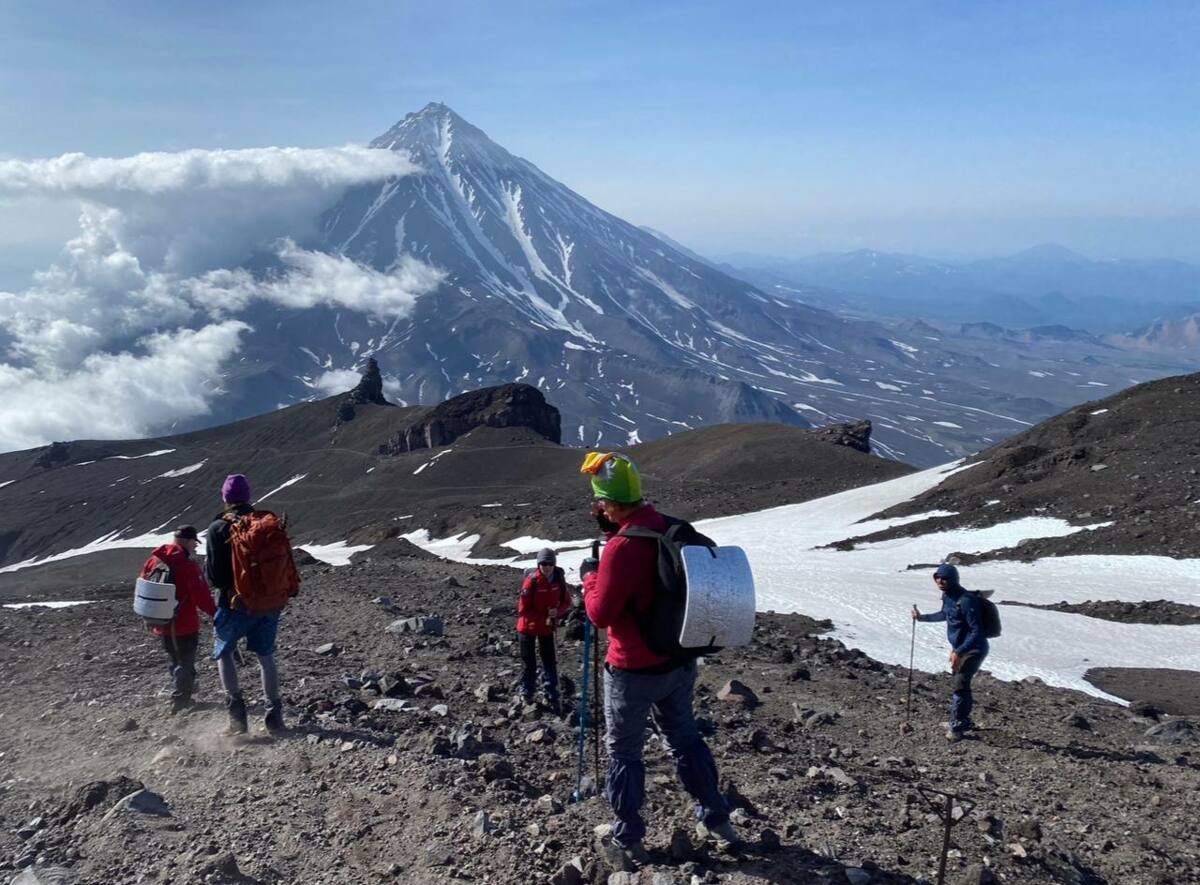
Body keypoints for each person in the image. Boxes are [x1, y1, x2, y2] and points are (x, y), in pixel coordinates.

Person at [578, 452, 736, 868]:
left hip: (632, 668)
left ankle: (629, 838)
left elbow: (600, 613)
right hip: (678, 660)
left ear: (609, 504)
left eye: (601, 503)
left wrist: (589, 578)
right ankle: (716, 817)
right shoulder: (670, 528)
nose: (600, 510)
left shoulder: (623, 547)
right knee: (684, 737)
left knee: (625, 751)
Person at [205, 474, 285, 735]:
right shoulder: (265, 523)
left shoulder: (218, 528)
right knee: (266, 657)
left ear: (225, 498)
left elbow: (216, 577)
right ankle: (274, 715)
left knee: (224, 653)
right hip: (268, 602)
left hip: (234, 603)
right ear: (248, 496)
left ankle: (237, 718)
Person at [141, 526, 216, 714]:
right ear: (189, 541)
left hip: (162, 622)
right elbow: (201, 596)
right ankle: (181, 700)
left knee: (174, 658)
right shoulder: (187, 566)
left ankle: (182, 691)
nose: (195, 547)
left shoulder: (154, 560)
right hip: (184, 623)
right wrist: (216, 614)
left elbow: (143, 586)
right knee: (186, 661)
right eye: (194, 543)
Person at [912, 563, 989, 742]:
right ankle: (963, 721)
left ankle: (956, 728)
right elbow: (944, 615)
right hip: (961, 649)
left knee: (959, 687)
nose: (940, 580)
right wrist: (921, 617)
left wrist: (959, 652)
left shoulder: (966, 600)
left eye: (944, 578)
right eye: (937, 577)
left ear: (953, 579)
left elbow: (977, 631)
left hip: (973, 649)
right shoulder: (948, 597)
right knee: (962, 685)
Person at [516, 548, 572, 713]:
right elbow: (523, 610)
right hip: (527, 628)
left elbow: (566, 602)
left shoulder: (559, 580)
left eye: (549, 563)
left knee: (549, 662)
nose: (546, 567)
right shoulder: (531, 581)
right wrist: (545, 617)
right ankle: (527, 692)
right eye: (543, 563)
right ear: (538, 564)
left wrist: (558, 613)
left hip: (547, 628)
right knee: (529, 662)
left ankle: (552, 693)